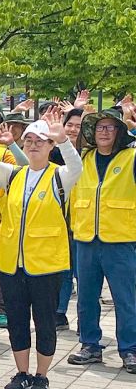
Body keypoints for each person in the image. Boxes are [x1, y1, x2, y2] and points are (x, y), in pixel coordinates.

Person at [0, 109, 81, 389]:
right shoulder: (15, 174)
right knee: (17, 320)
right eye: (30, 140)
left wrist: (64, 140)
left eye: (40, 141)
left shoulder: (59, 176)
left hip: (46, 264)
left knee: (45, 321)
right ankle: (21, 373)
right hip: (12, 262)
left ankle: (41, 376)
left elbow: (76, 167)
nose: (33, 145)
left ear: (50, 145)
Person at [67, 108, 136, 374]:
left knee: (125, 298)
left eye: (110, 127)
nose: (104, 132)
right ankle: (90, 345)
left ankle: (130, 349)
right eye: (99, 127)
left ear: (119, 132)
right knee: (86, 297)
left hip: (121, 240)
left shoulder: (131, 158)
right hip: (85, 238)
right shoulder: (84, 158)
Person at [55, 107, 85, 330]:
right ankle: (59, 312)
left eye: (79, 126)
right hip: (62, 222)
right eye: (70, 125)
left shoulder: (91, 154)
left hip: (85, 223)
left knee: (84, 276)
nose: (73, 130)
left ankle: (86, 318)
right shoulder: (55, 152)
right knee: (64, 271)